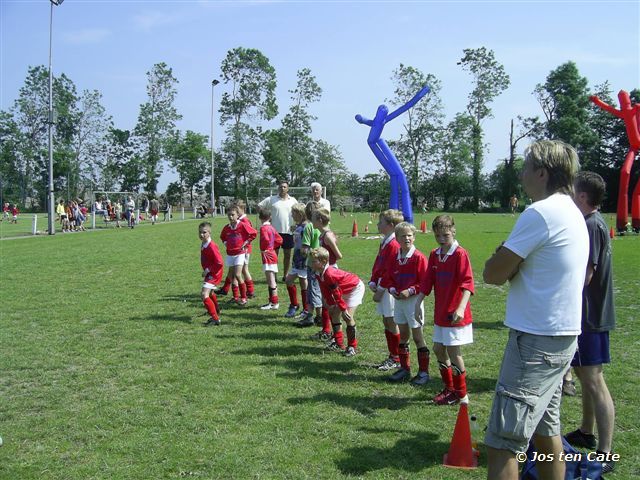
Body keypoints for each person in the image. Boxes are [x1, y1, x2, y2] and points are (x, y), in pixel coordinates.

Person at [483, 140, 589, 480]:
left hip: (534, 343)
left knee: (503, 442)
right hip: (562, 338)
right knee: (547, 433)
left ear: (541, 173)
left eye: (526, 167)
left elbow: (493, 273)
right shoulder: (572, 210)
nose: (522, 174)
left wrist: (505, 260)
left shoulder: (540, 213)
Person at [563, 171, 616, 474]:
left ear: (582, 197)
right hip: (584, 315)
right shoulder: (589, 223)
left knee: (594, 380)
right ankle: (585, 430)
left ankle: (606, 452)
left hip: (591, 316)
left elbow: (586, 275)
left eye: (572, 192)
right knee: (584, 374)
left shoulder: (591, 226)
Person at [415, 215, 474, 405]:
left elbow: (467, 283)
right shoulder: (435, 254)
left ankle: (461, 394)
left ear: (453, 231)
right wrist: (418, 301)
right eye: (438, 235)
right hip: (441, 312)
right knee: (439, 349)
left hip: (455, 313)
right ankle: (449, 388)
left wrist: (461, 307)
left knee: (453, 351)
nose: (441, 239)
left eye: (445, 235)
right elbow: (427, 281)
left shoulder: (460, 254)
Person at [379, 222, 430, 385]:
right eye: (403, 236)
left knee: (417, 336)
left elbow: (425, 282)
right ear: (397, 239)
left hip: (413, 302)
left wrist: (411, 291)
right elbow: (390, 278)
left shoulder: (419, 258)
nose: (407, 238)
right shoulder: (396, 257)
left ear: (414, 237)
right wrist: (393, 288)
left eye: (409, 235)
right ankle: (404, 368)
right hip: (399, 301)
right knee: (403, 335)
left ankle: (423, 372)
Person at [309, 247, 364, 357]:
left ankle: (352, 346)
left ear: (323, 262)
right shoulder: (318, 272)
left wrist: (343, 309)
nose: (311, 264)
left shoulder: (329, 274)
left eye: (314, 261)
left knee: (348, 317)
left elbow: (337, 293)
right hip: (343, 290)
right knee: (334, 314)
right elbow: (325, 289)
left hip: (354, 288)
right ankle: (339, 343)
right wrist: (328, 302)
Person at [369, 209, 403, 371]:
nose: (377, 224)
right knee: (386, 320)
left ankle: (396, 357)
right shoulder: (385, 241)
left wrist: (381, 289)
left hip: (389, 289)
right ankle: (392, 355)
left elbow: (391, 270)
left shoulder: (394, 244)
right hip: (382, 285)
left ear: (390, 225)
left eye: (380, 222)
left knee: (391, 321)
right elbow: (379, 263)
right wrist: (373, 280)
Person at [258, 181, 297, 279]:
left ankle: (285, 275)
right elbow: (259, 206)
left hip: (288, 231)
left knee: (287, 255)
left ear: (288, 189)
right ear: (278, 188)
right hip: (274, 233)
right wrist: (266, 217)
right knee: (274, 255)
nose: (282, 188)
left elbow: (299, 211)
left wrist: (295, 224)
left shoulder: (292, 200)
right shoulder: (272, 199)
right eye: (281, 187)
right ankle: (273, 276)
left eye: (284, 187)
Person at [219, 205, 257, 306]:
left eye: (233, 215)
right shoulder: (227, 228)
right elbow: (222, 237)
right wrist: (226, 243)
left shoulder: (242, 225)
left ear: (237, 215)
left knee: (238, 274)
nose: (230, 217)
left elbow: (254, 233)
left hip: (240, 253)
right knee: (232, 276)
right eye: (229, 215)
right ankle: (235, 296)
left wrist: (246, 242)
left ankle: (244, 297)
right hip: (230, 254)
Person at [284, 203, 310, 319]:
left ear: (300, 214)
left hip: (303, 259)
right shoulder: (299, 226)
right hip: (297, 258)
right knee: (289, 280)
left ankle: (306, 308)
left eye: (293, 213)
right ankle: (294, 304)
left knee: (303, 282)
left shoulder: (306, 227)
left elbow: (307, 244)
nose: (292, 215)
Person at [199, 222, 224, 326]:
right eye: (200, 232)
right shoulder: (204, 243)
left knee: (204, 294)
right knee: (210, 293)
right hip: (211, 273)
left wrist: (208, 270)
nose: (201, 235)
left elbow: (219, 262)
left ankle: (215, 318)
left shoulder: (212, 246)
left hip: (214, 273)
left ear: (209, 233)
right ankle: (216, 311)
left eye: (204, 232)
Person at [258, 208, 283, 310]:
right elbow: (280, 240)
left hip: (267, 254)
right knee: (271, 278)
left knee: (271, 279)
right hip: (272, 253)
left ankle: (274, 303)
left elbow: (266, 239)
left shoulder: (263, 228)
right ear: (270, 217)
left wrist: (265, 248)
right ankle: (272, 301)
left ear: (260, 218)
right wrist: (272, 247)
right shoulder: (272, 228)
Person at [236, 200, 256, 299]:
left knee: (244, 269)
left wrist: (246, 242)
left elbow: (252, 234)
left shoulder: (244, 221)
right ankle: (249, 291)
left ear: (243, 209)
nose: (236, 212)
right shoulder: (241, 220)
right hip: (242, 249)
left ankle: (251, 290)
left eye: (237, 210)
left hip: (245, 249)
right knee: (243, 270)